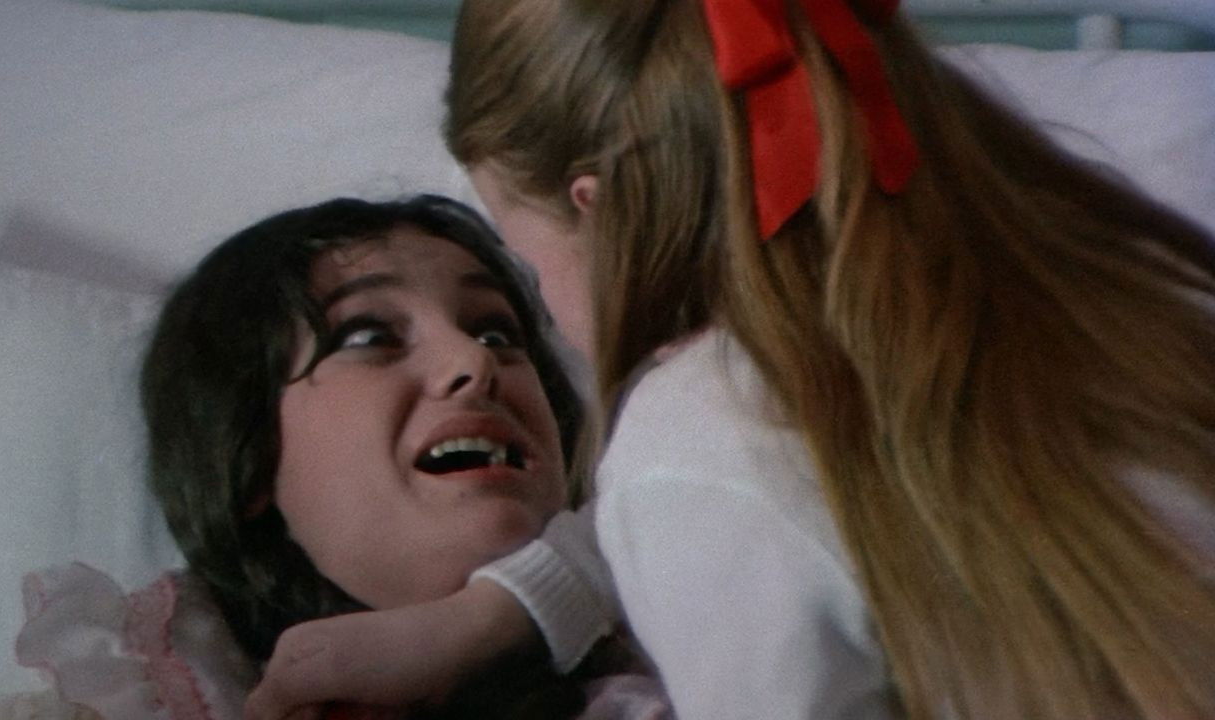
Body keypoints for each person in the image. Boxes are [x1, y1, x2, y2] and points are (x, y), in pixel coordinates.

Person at [248, 1, 1215, 719]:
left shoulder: (696, 447)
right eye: (368, 337)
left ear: (601, 214)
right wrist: (505, 610)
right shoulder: (1124, 292)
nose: (474, 361)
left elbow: (730, 493)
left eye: (513, 300)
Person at [0, 195, 668, 720]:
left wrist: (501, 614)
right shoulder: (139, 696)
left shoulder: (685, 658)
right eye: (368, 337)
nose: (474, 363)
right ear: (250, 457)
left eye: (496, 333)